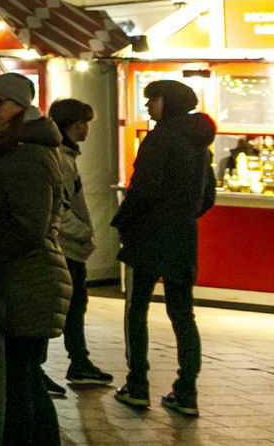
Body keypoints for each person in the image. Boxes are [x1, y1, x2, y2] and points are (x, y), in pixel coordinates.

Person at [0, 73, 69, 446]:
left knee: (14, 384)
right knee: (21, 380)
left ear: (22, 106)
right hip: (8, 281)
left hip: (21, 283)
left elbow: (29, 228)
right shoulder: (2, 148)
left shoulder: (27, 155)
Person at [112, 80, 214, 416]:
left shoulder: (159, 139)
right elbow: (207, 196)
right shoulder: (200, 143)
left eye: (150, 99)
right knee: (183, 315)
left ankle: (137, 384)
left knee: (137, 309)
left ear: (165, 102)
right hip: (183, 237)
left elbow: (142, 189)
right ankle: (187, 391)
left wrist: (123, 223)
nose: (147, 106)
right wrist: (184, 215)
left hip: (149, 236)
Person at [47, 98, 111, 391]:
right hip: (66, 246)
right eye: (83, 123)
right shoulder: (60, 158)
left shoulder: (66, 155)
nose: (87, 129)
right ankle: (72, 362)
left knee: (73, 305)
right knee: (61, 307)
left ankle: (79, 360)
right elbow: (58, 207)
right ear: (72, 125)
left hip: (70, 245)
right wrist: (84, 232)